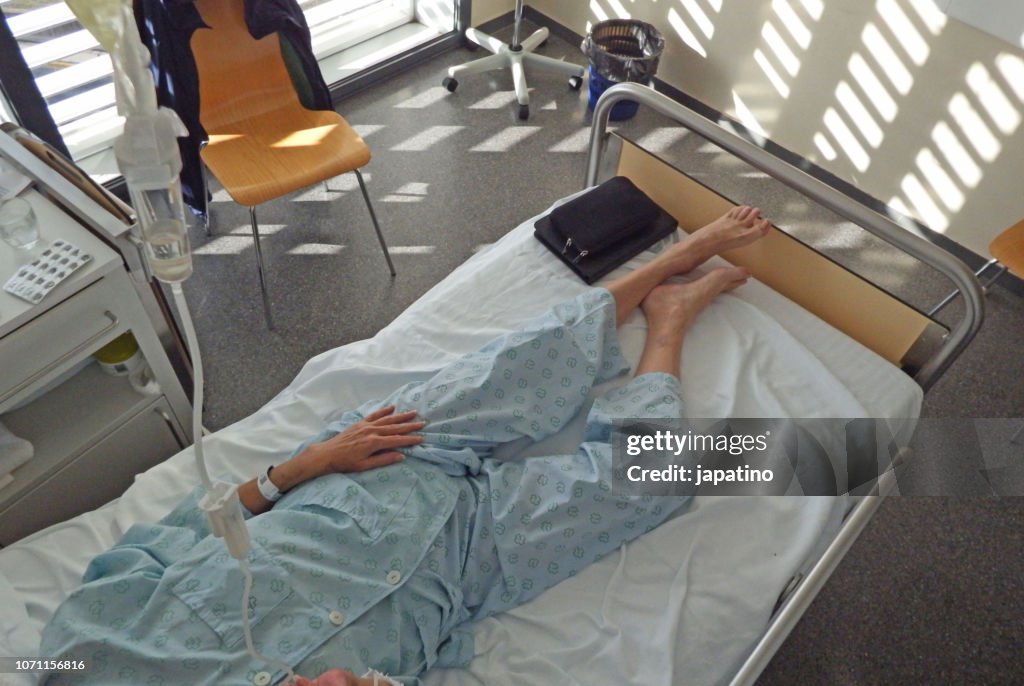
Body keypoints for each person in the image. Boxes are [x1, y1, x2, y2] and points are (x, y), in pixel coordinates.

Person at [41, 207, 771, 686]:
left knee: (526, 357)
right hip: (467, 568)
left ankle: (674, 260)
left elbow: (180, 532)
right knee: (657, 475)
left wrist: (305, 464)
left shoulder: (69, 654)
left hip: (361, 479)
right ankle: (670, 320)